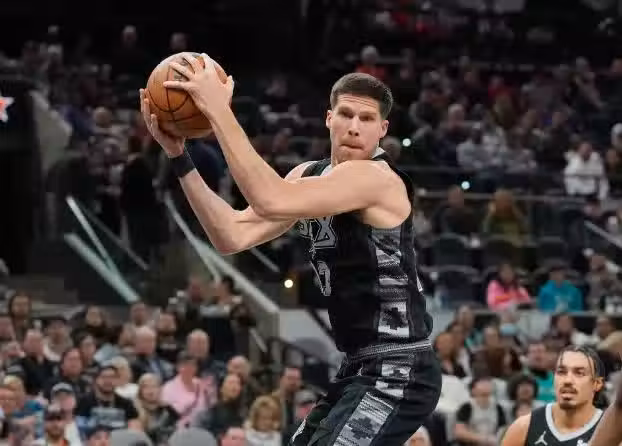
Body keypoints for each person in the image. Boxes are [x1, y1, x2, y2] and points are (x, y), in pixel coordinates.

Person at [140, 54, 442, 445]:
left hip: (400, 366)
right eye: (346, 114)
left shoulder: (376, 178)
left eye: (367, 119)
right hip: (358, 366)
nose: (354, 127)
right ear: (328, 119)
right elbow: (231, 235)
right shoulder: (308, 176)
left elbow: (271, 199)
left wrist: (218, 111)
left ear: (382, 130)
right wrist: (179, 157)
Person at [501, 345, 606, 446]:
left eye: (579, 373)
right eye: (561, 372)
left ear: (597, 384)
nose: (567, 380)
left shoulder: (608, 430)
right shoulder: (524, 427)